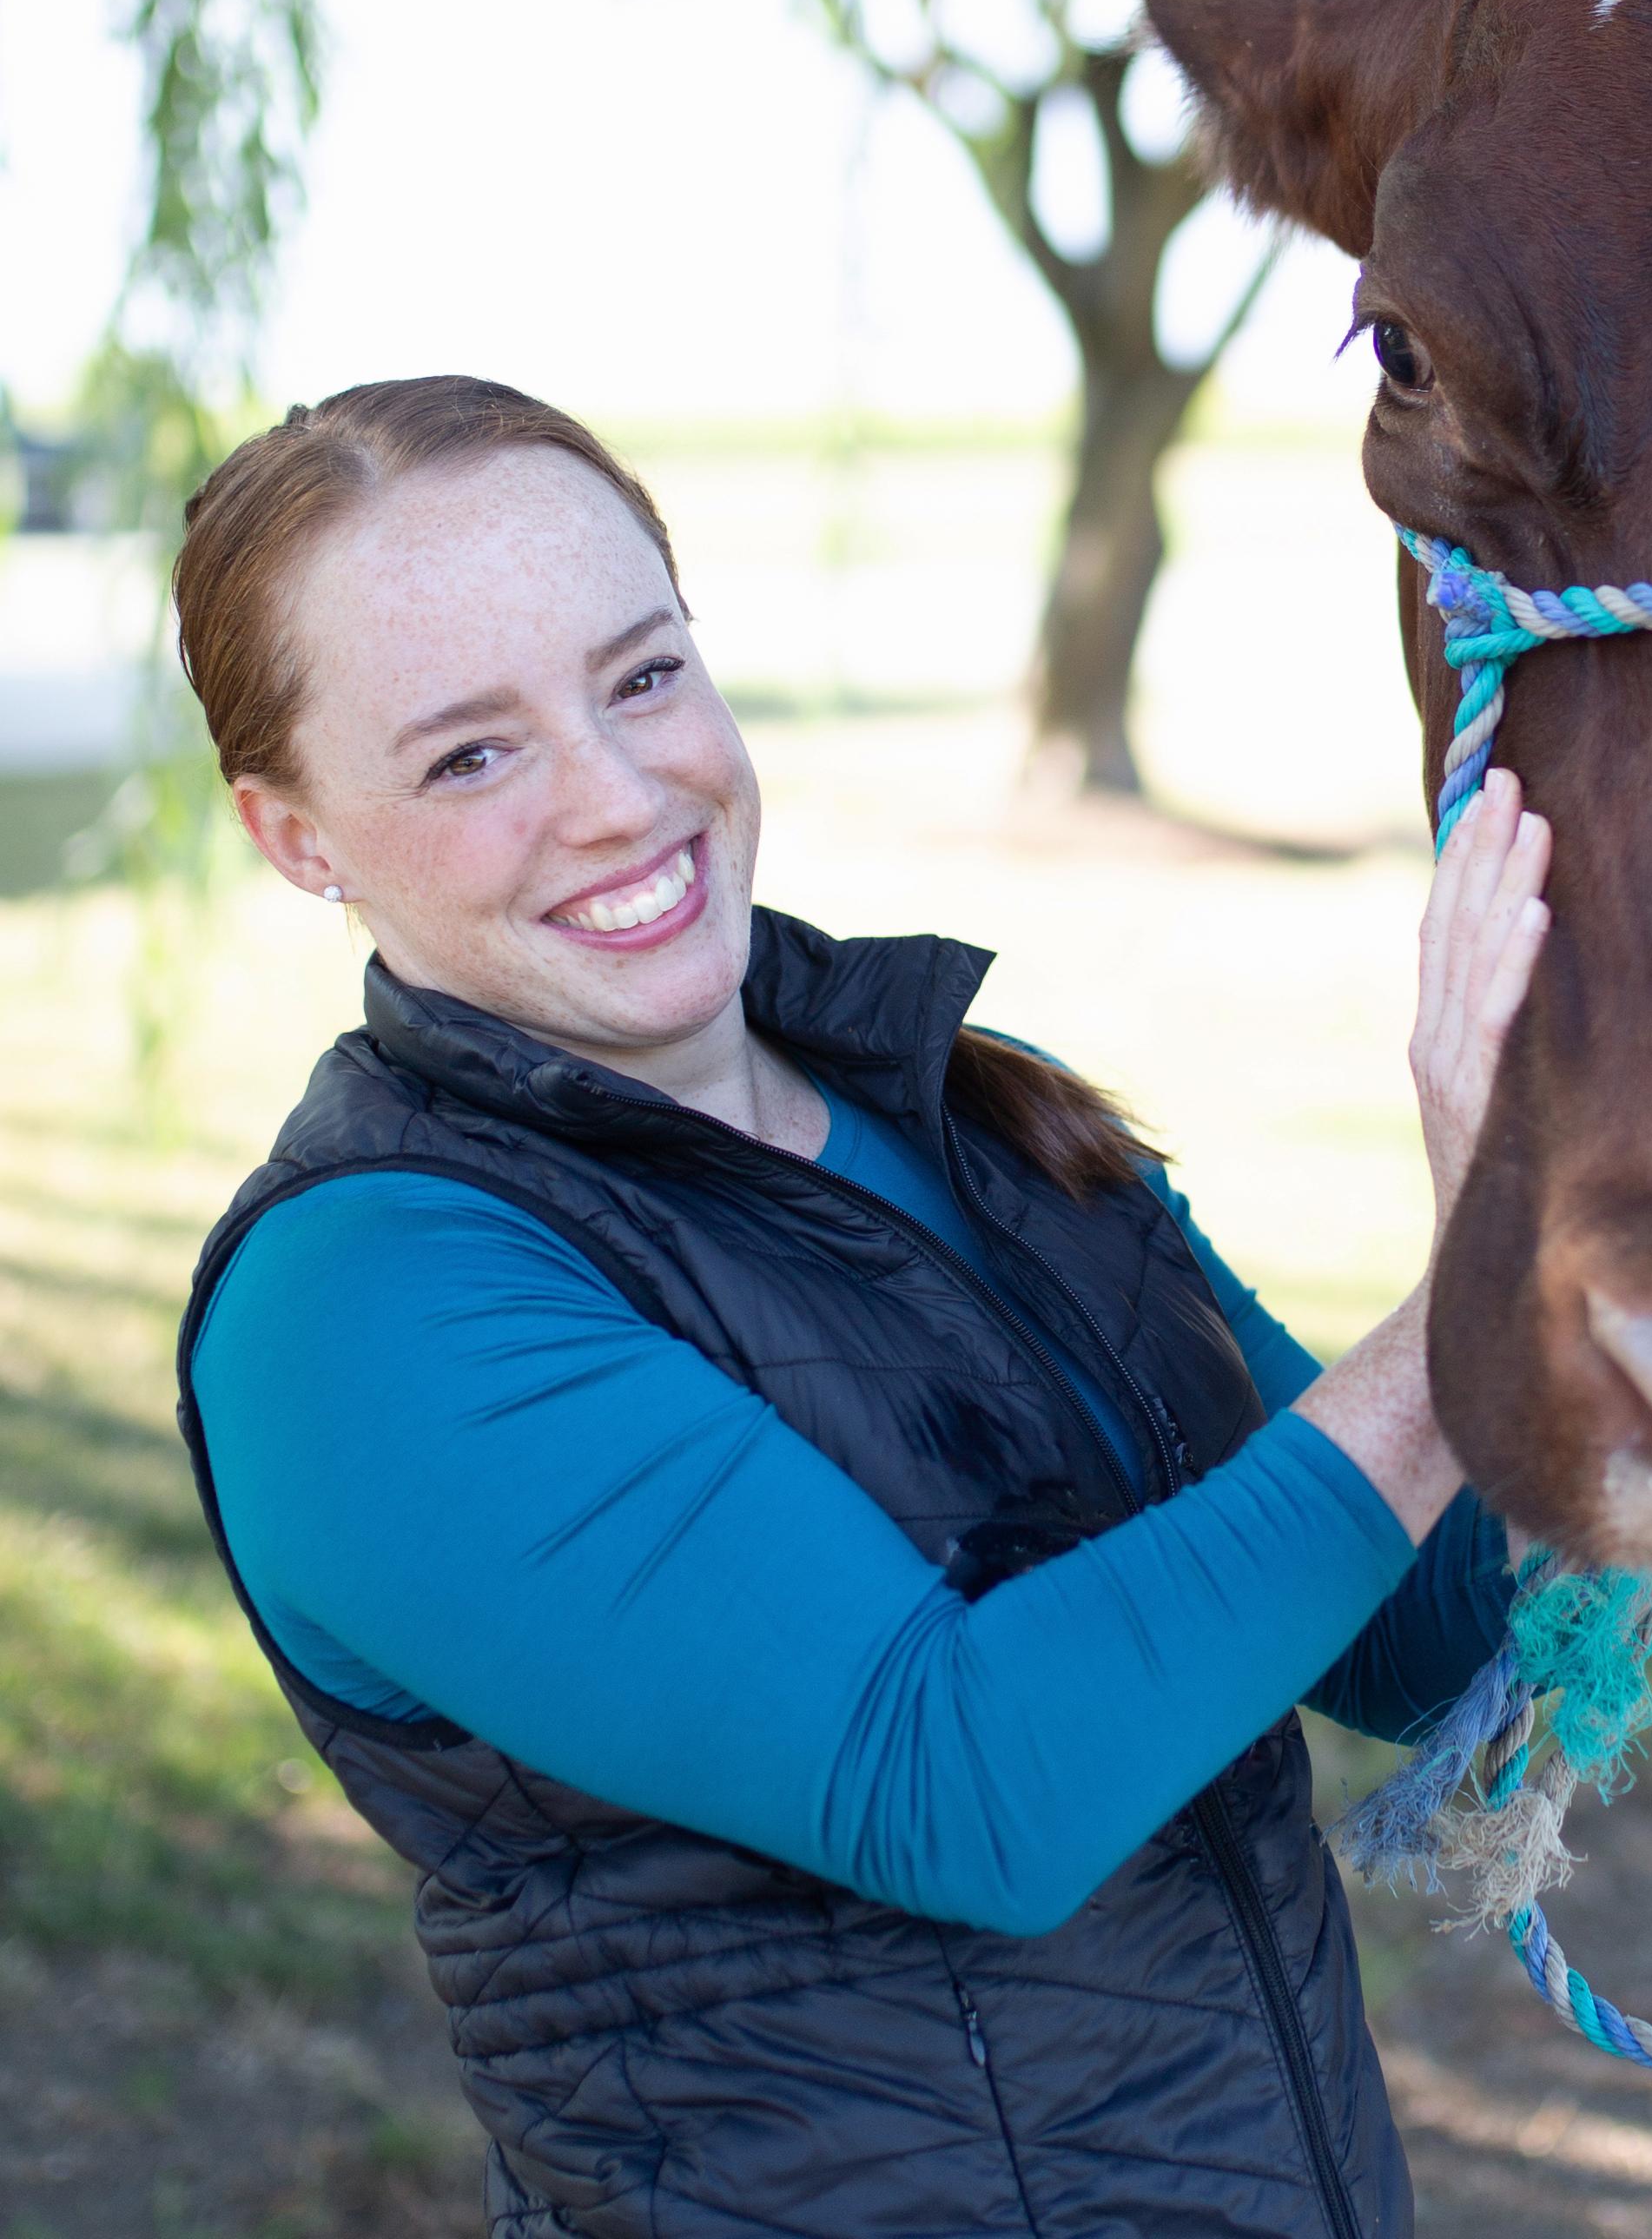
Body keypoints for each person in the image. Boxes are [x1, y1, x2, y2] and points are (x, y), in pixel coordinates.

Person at [169, 373, 1554, 2239]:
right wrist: (1474, 1277)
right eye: (467, 757)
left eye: (642, 676)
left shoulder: (984, 1114)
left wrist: (1626, 1212)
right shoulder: (360, 1309)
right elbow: (970, 1787)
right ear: (297, 835)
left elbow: (1428, 1640)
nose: (617, 795)